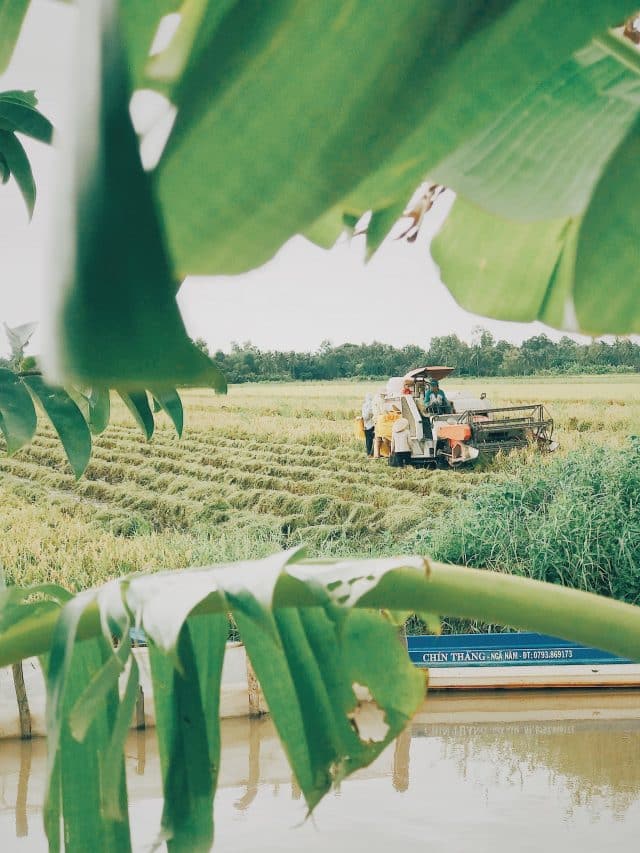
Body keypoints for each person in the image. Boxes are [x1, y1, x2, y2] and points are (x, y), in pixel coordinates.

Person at [361, 393, 376, 457]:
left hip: (367, 425)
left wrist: (363, 418)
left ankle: (369, 453)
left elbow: (365, 416)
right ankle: (372, 453)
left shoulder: (365, 405)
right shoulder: (372, 404)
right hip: (372, 424)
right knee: (373, 440)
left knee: (368, 440)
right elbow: (370, 414)